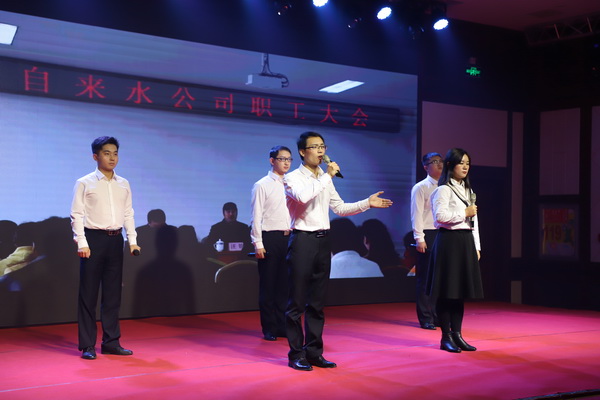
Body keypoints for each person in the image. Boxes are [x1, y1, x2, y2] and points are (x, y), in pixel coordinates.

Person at [284, 131, 393, 371]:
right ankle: (296, 354)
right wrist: (327, 176)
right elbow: (302, 197)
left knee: (317, 302)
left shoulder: (325, 178)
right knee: (297, 302)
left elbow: (340, 208)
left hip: (324, 240)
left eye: (322, 146)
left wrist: (366, 203)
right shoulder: (292, 178)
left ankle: (314, 353)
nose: (320, 151)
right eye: (315, 147)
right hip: (302, 240)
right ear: (302, 151)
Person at [70, 136, 140, 360]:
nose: (112, 158)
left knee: (112, 294)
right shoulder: (85, 182)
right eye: (107, 153)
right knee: (88, 294)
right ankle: (87, 345)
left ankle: (111, 342)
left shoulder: (124, 183)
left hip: (115, 240)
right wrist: (82, 242)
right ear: (95, 156)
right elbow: (77, 214)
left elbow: (128, 213)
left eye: (115, 153)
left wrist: (132, 240)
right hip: (93, 240)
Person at [427, 148, 483, 353]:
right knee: (447, 291)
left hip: (465, 241)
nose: (465, 167)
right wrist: (463, 212)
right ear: (450, 165)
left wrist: (476, 246)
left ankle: (458, 335)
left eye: (468, 163)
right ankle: (446, 337)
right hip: (449, 242)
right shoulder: (443, 189)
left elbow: (474, 221)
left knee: (459, 292)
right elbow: (440, 217)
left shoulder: (467, 189)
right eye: (461, 163)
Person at [250, 145, 293, 341]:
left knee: (285, 286)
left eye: (289, 159)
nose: (286, 163)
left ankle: (282, 326)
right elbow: (256, 216)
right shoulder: (262, 185)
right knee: (268, 285)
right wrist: (258, 243)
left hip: (289, 238)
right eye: (282, 159)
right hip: (269, 238)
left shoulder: (292, 184)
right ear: (272, 160)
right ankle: (269, 327)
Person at [410, 152, 443, 330]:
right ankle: (425, 318)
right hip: (427, 233)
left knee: (440, 279)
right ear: (426, 167)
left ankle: (437, 315)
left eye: (441, 161)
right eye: (434, 162)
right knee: (425, 279)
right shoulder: (421, 187)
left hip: (443, 233)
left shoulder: (446, 186)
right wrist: (419, 238)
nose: (439, 164)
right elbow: (416, 214)